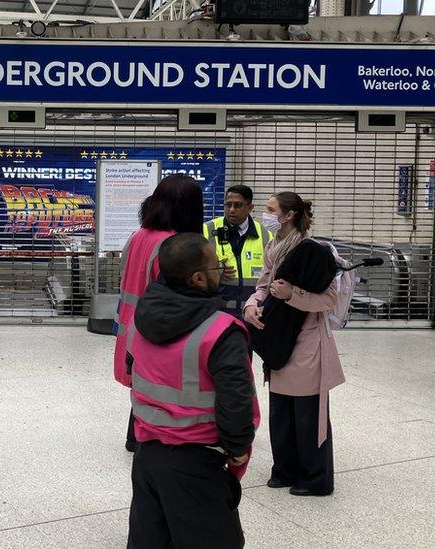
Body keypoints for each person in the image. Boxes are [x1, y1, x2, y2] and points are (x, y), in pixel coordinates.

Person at [127, 233, 259, 549]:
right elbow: (235, 401)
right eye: (215, 268)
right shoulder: (220, 332)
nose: (220, 272)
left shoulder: (143, 318)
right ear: (198, 279)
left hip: (147, 458)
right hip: (195, 464)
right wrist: (239, 448)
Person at [243, 192, 343, 497]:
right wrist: (252, 304)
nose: (265, 214)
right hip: (280, 340)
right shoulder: (274, 246)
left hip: (308, 342)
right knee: (282, 413)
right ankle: (284, 469)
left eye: (271, 210)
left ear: (288, 216)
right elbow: (264, 285)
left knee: (308, 413)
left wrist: (291, 295)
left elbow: (329, 298)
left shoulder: (313, 251)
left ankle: (315, 478)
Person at [115, 174, 204, 452]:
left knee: (141, 384)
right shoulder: (175, 245)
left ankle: (134, 436)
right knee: (159, 386)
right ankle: (149, 438)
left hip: (131, 325)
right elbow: (179, 294)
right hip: (159, 326)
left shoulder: (137, 236)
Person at [203, 185, 273, 317]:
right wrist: (212, 273)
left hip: (253, 313)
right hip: (217, 313)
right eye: (228, 205)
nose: (231, 210)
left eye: (238, 205)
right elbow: (193, 270)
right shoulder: (207, 230)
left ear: (250, 208)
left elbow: (272, 275)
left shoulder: (266, 235)